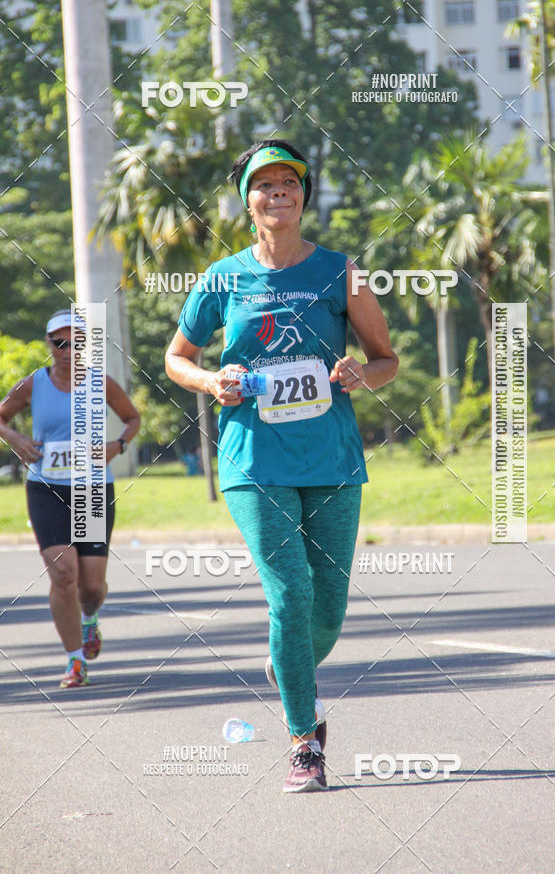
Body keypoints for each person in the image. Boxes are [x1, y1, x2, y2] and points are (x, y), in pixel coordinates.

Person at [165, 140, 398, 792]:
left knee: (328, 609)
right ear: (248, 203)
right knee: (290, 594)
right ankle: (304, 741)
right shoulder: (222, 278)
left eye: (289, 183)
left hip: (332, 459)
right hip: (253, 459)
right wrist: (210, 381)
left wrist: (362, 372)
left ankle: (287, 662)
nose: (279, 194)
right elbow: (177, 358)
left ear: (303, 196)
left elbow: (386, 358)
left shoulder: (341, 272)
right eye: (265, 185)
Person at [0, 310, 140, 688]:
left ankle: (89, 618)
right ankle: (75, 661)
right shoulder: (32, 385)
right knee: (64, 574)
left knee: (91, 587)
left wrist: (117, 445)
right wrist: (17, 440)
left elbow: (133, 419)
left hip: (92, 489)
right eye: (60, 342)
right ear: (49, 344)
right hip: (46, 487)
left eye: (76, 343)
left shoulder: (101, 383)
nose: (68, 350)